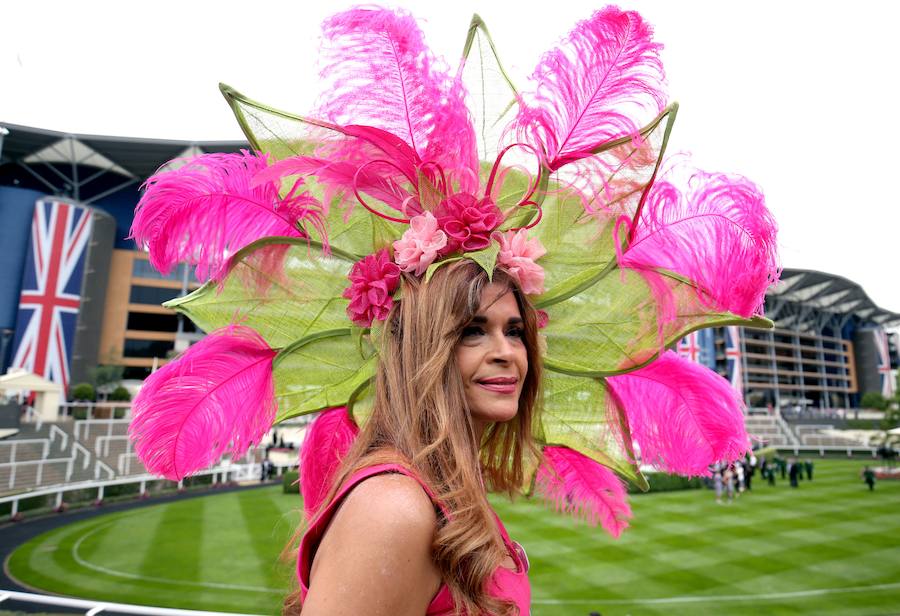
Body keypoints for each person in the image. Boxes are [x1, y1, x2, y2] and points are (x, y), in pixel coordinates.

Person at [124, 6, 779, 615]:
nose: (508, 352)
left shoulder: (432, 491)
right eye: (472, 330)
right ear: (417, 346)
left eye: (516, 330)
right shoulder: (393, 508)